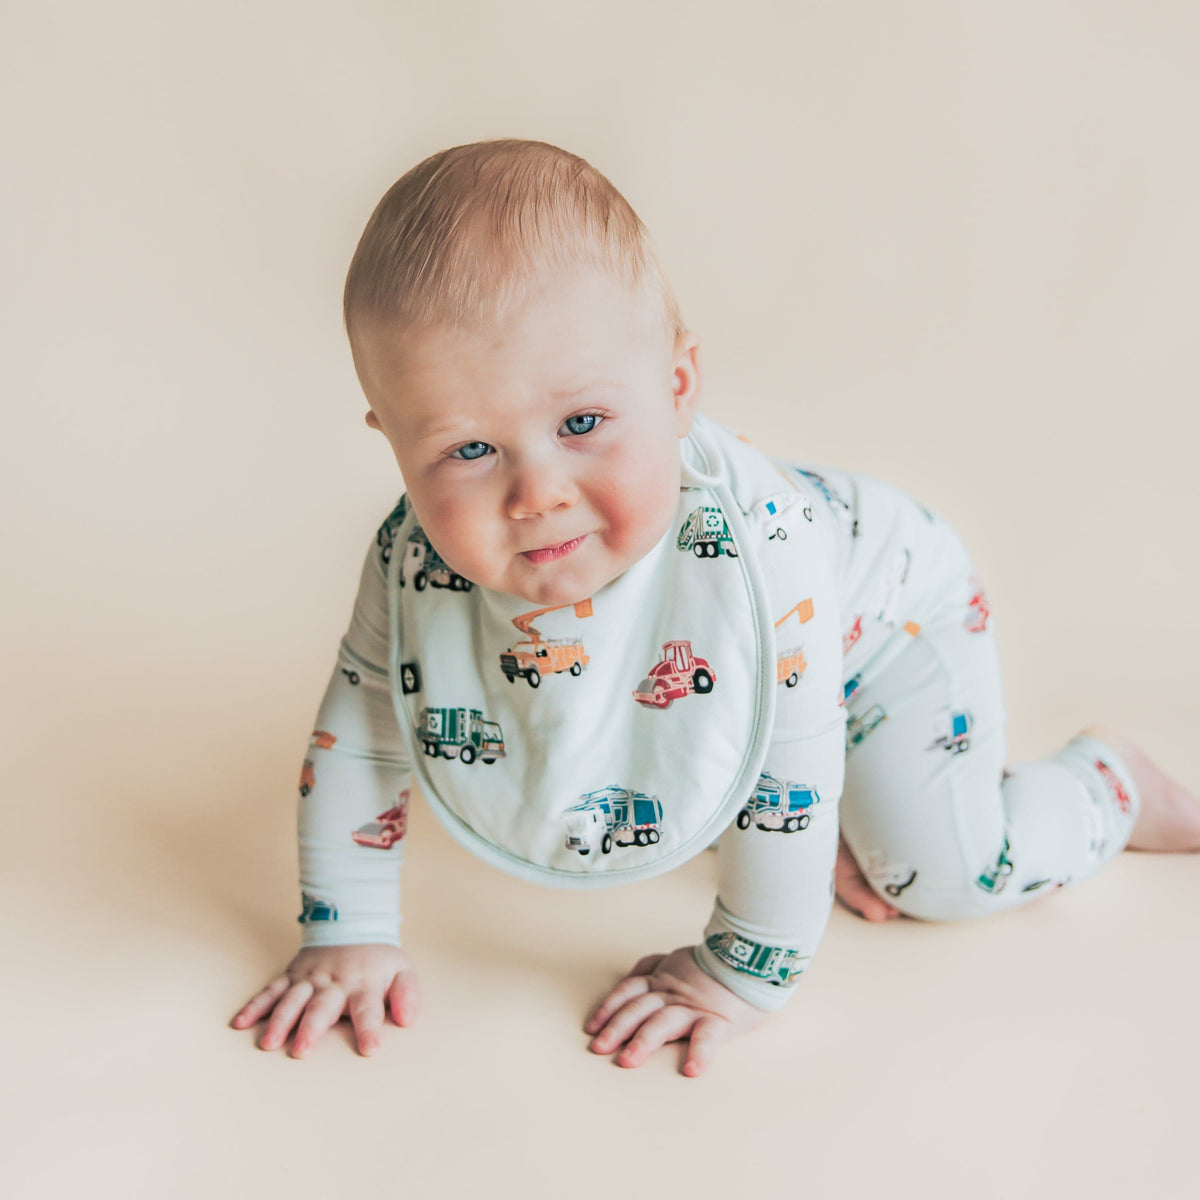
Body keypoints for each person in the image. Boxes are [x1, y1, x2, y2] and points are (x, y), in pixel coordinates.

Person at [230, 139, 1200, 1076]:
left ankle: (1108, 788)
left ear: (678, 385)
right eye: (468, 450)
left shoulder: (757, 551)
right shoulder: (412, 559)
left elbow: (787, 769)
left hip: (893, 629)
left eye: (582, 424)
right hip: (792, 663)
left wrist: (743, 969)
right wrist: (347, 932)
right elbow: (358, 734)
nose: (537, 494)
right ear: (393, 441)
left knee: (934, 873)